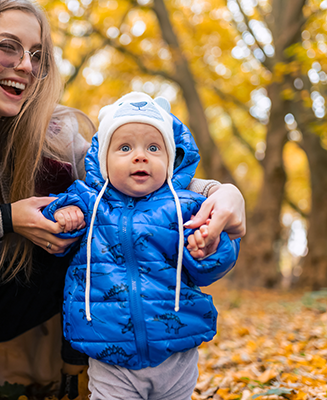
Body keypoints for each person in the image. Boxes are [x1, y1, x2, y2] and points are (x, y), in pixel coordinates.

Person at [0, 0, 247, 399]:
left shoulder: (52, 128)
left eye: (37, 55)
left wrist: (220, 193)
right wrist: (5, 218)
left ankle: (73, 373)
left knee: (93, 233)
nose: (26, 64)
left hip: (20, 297)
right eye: (8, 47)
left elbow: (123, 181)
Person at [42, 92, 241, 400]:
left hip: (175, 346)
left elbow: (212, 265)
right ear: (102, 161)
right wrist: (64, 214)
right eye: (124, 147)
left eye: (153, 147)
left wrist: (208, 248)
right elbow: (52, 229)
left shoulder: (185, 207)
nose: (140, 156)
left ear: (171, 158)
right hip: (109, 348)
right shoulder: (89, 202)